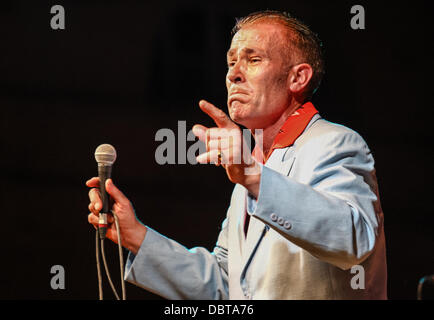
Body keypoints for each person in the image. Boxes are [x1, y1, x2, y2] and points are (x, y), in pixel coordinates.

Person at [87, 10, 387, 299]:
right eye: (231, 62)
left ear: (298, 78)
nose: (233, 74)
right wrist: (136, 236)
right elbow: (226, 285)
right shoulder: (254, 167)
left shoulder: (335, 143)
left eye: (253, 59)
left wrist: (253, 176)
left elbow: (354, 238)